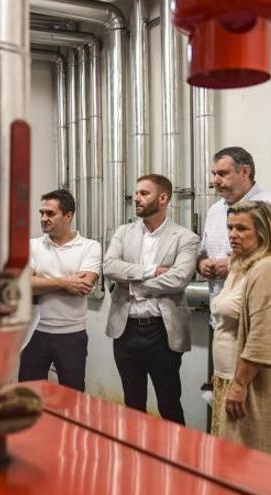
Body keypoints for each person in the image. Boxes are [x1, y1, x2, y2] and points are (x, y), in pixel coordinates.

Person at [103, 174, 199, 424]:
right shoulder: (123, 233)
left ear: (163, 198)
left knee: (169, 403)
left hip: (162, 333)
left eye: (144, 193)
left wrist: (134, 286)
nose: (136, 198)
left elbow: (178, 280)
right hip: (126, 331)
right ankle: (137, 458)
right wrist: (151, 271)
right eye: (136, 193)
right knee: (132, 403)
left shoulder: (185, 238)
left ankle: (176, 459)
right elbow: (110, 266)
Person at [210, 200, 271, 458]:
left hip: (250, 384)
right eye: (230, 228)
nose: (233, 235)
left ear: (262, 231)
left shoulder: (268, 269)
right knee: (228, 458)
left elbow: (261, 336)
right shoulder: (240, 265)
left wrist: (240, 384)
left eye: (242, 229)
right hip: (227, 377)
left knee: (250, 458)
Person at [198, 146, 271, 320]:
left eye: (222, 173)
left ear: (245, 171)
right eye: (214, 174)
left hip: (261, 321)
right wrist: (203, 264)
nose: (215, 180)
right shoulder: (215, 211)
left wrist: (236, 266)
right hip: (220, 321)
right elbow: (203, 254)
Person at [20, 189, 101, 392]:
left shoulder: (90, 247)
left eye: (50, 214)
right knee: (28, 395)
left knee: (72, 397)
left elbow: (83, 287)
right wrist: (66, 283)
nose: (44, 218)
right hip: (34, 334)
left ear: (68, 216)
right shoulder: (32, 246)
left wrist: (40, 281)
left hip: (71, 336)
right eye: (42, 213)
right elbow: (21, 284)